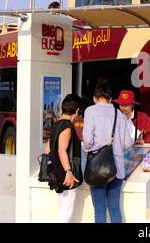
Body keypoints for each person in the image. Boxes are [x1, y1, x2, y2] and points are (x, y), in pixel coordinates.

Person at [82, 79, 135, 223]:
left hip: (97, 168)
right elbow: (127, 143)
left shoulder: (90, 111)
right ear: (111, 99)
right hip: (116, 168)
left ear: (94, 98)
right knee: (115, 209)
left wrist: (88, 149)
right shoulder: (119, 114)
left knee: (99, 210)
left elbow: (87, 139)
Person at [43, 94, 83, 223]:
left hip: (57, 170)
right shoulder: (67, 126)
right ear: (77, 111)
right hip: (65, 172)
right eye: (79, 113)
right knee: (66, 209)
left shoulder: (57, 124)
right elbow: (62, 150)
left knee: (64, 206)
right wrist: (69, 172)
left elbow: (47, 150)